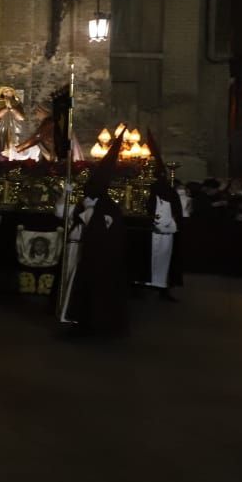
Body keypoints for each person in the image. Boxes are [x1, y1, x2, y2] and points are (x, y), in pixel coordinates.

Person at [58, 139, 128, 335]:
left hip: (100, 258)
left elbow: (103, 229)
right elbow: (62, 214)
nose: (86, 197)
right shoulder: (85, 205)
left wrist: (88, 213)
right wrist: (65, 195)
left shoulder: (109, 210)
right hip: (81, 252)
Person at [138, 132, 187, 301]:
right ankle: (147, 283)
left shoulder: (170, 194)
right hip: (152, 233)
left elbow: (177, 213)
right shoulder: (151, 193)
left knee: (164, 261)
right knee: (150, 259)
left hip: (166, 233)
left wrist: (169, 224)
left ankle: (162, 287)